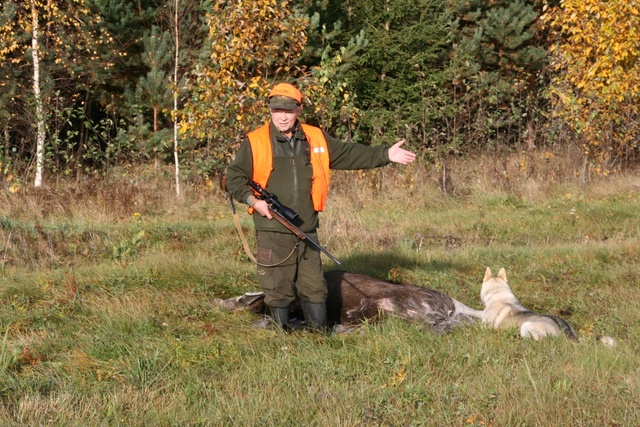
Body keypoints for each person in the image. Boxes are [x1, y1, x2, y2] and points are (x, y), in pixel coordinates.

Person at [225, 82, 416, 331]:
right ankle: (278, 338)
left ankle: (318, 339)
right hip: (272, 228)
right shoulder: (255, 141)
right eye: (276, 110)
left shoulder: (315, 138)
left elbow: (349, 153)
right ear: (270, 110)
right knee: (277, 288)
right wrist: (255, 202)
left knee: (314, 287)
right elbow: (234, 178)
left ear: (298, 110)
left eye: (288, 110)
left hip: (306, 229)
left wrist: (384, 155)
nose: (282, 116)